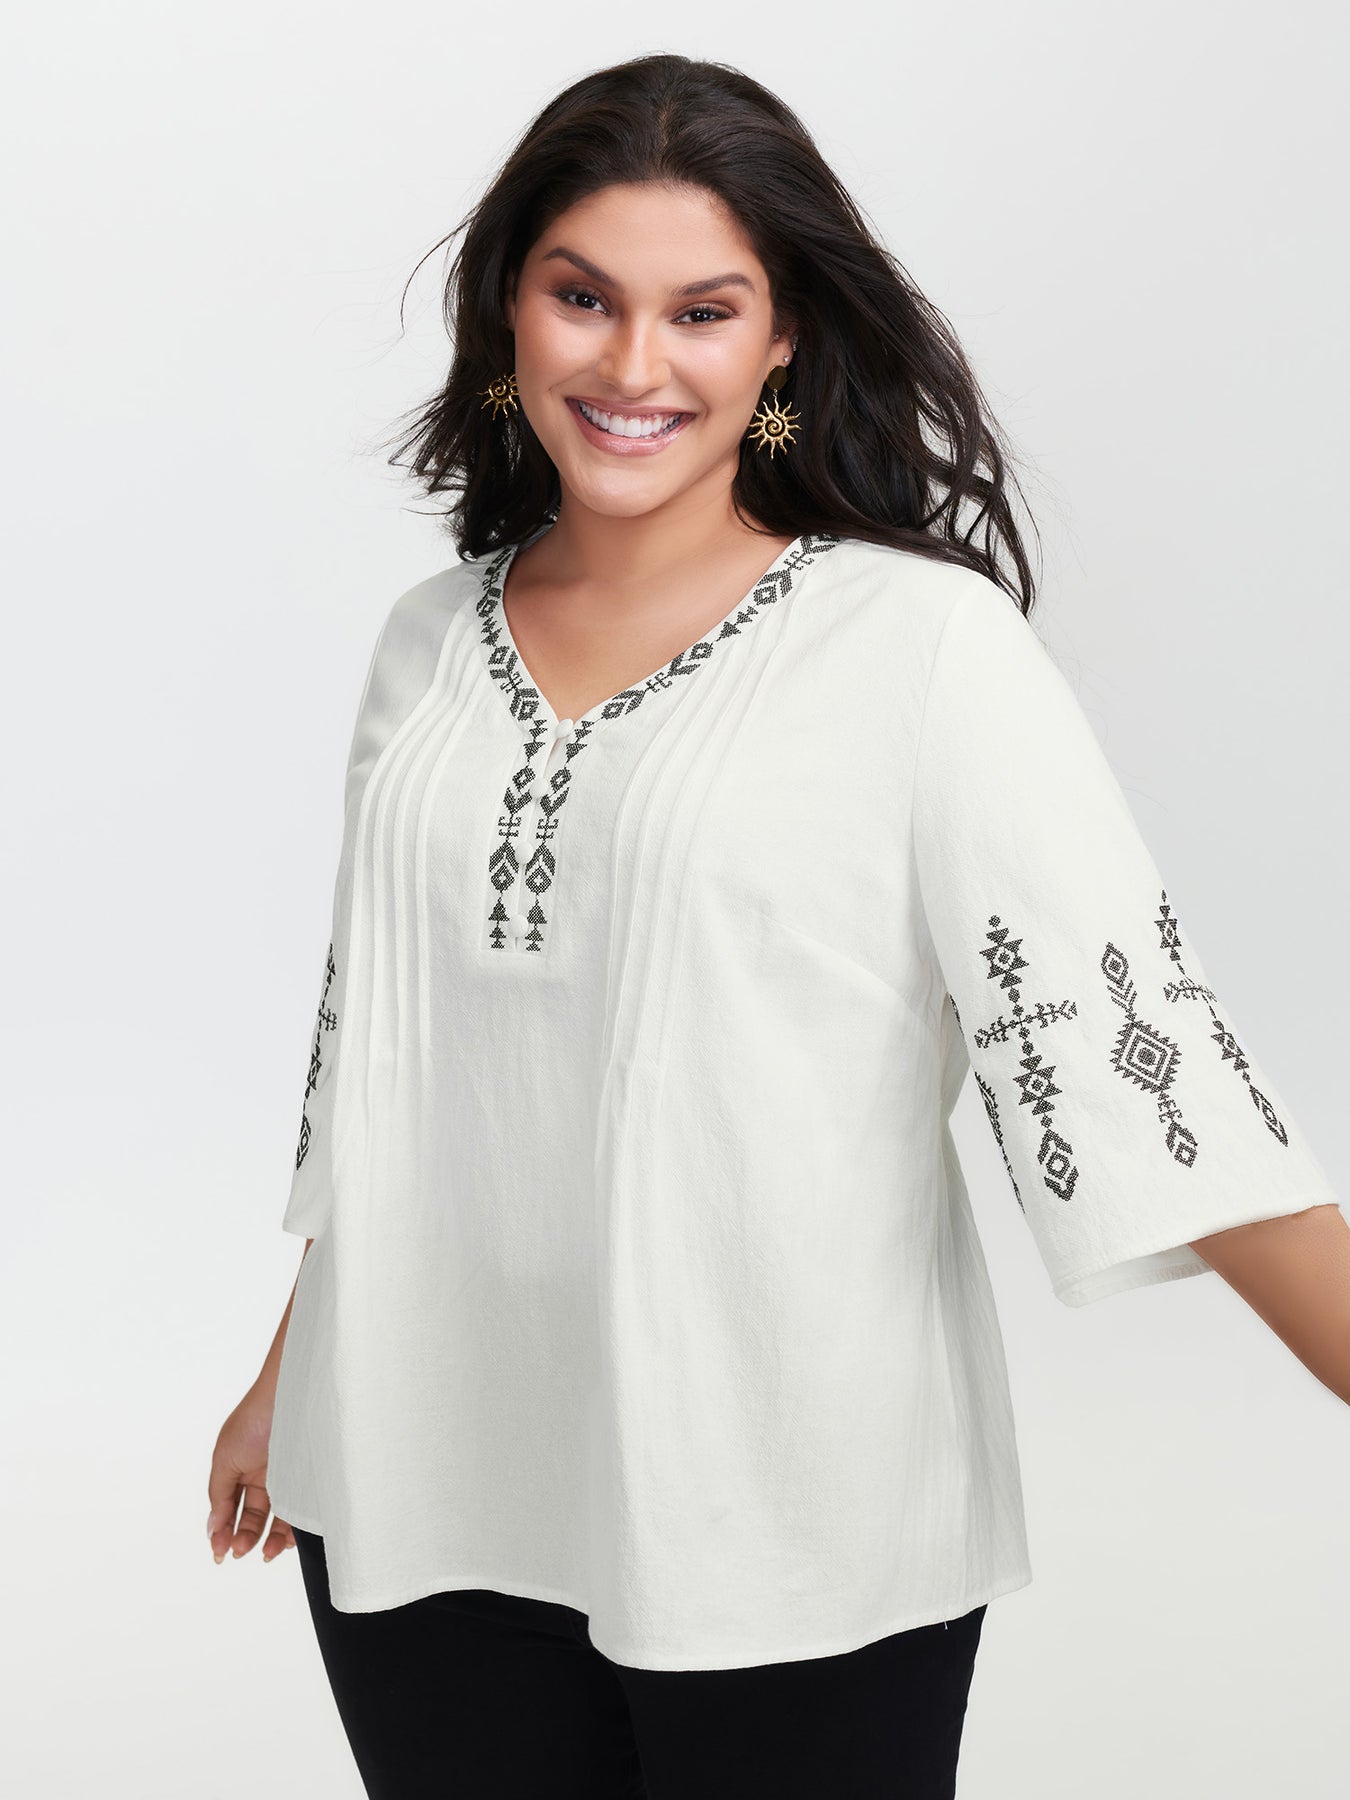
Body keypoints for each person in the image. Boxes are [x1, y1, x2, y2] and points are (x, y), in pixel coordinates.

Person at [206, 52, 1348, 1800]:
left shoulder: (919, 647)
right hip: (416, 1479)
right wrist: (293, 1372)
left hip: (789, 1512)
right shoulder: (425, 643)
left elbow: (1139, 1060)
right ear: (508, 307)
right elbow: (393, 1054)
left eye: (701, 311)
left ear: (785, 337)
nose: (631, 365)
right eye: (582, 297)